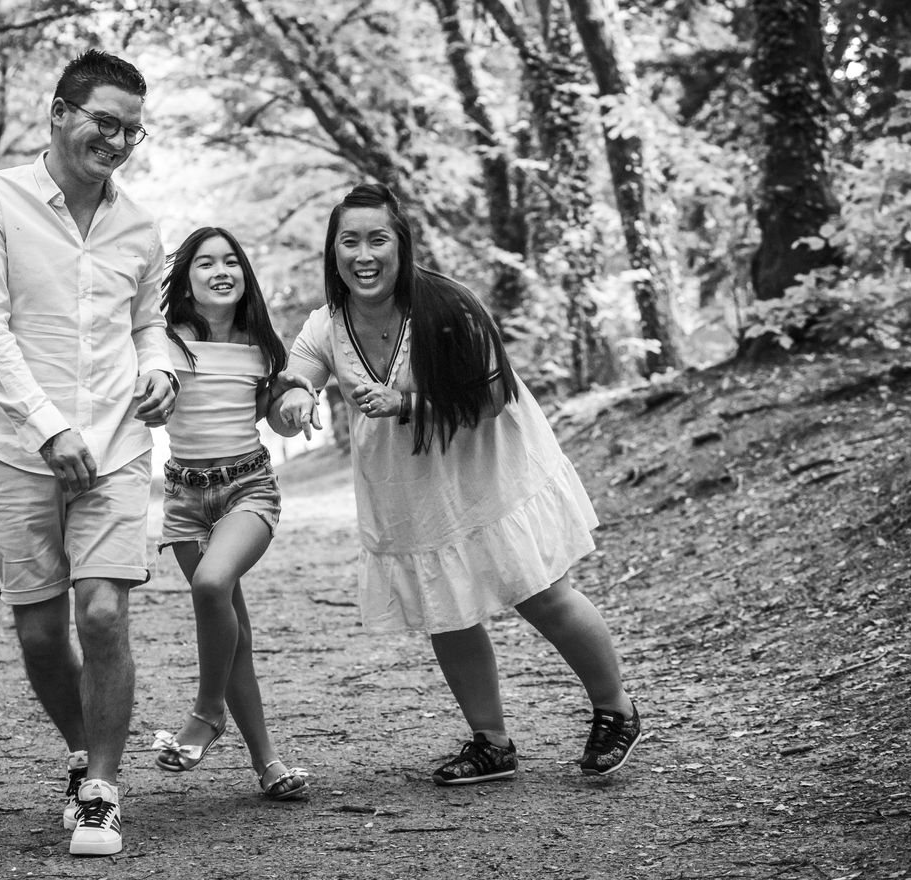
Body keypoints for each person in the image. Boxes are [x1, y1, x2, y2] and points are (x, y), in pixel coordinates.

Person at [274, 183, 641, 786]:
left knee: (541, 593)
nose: (363, 255)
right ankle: (492, 744)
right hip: (412, 495)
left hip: (489, 479)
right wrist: (293, 399)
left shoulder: (449, 307)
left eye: (377, 239)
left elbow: (495, 393)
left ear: (401, 244)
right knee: (447, 613)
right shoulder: (327, 323)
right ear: (333, 251)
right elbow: (299, 375)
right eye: (350, 242)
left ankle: (617, 710)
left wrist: (404, 402)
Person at [0, 49, 177, 857]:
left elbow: (148, 321)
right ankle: (85, 758)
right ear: (59, 112)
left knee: (105, 611)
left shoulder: (142, 226)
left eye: (130, 131)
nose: (116, 141)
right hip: (18, 449)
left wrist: (159, 369)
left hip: (116, 444)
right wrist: (49, 426)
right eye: (103, 122)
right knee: (43, 633)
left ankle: (105, 792)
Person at [149, 227, 310, 802]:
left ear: (244, 275)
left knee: (213, 585)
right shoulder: (163, 342)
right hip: (185, 498)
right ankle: (269, 765)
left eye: (231, 262)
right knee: (231, 630)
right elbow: (146, 396)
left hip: (247, 488)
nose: (221, 270)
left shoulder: (262, 344)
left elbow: (276, 407)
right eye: (205, 263)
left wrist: (294, 400)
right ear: (186, 280)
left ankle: (207, 711)